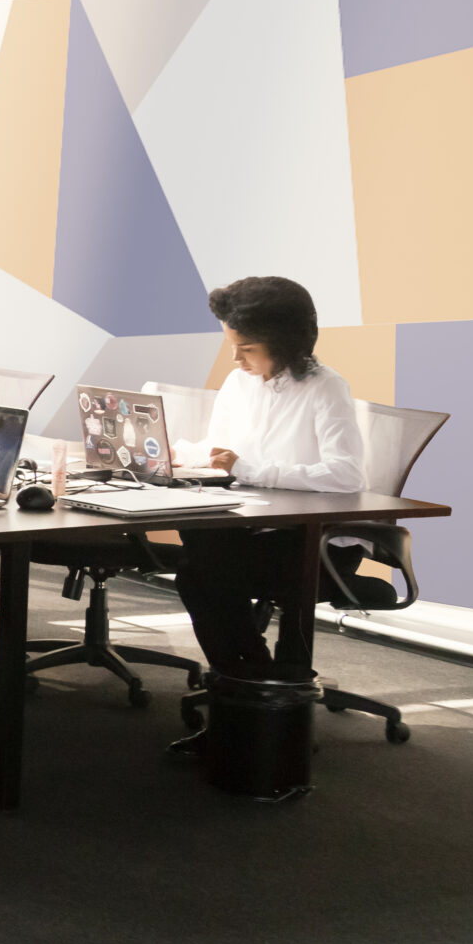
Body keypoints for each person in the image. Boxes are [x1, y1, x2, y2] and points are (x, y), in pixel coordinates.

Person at [171, 276, 365, 681]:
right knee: (200, 556)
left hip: (315, 544)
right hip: (253, 530)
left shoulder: (325, 387)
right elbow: (222, 448)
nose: (236, 360)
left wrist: (250, 469)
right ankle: (253, 679)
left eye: (247, 349)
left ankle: (248, 679)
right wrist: (180, 454)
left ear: (285, 343)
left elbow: (346, 474)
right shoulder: (239, 382)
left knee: (201, 570)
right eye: (232, 347)